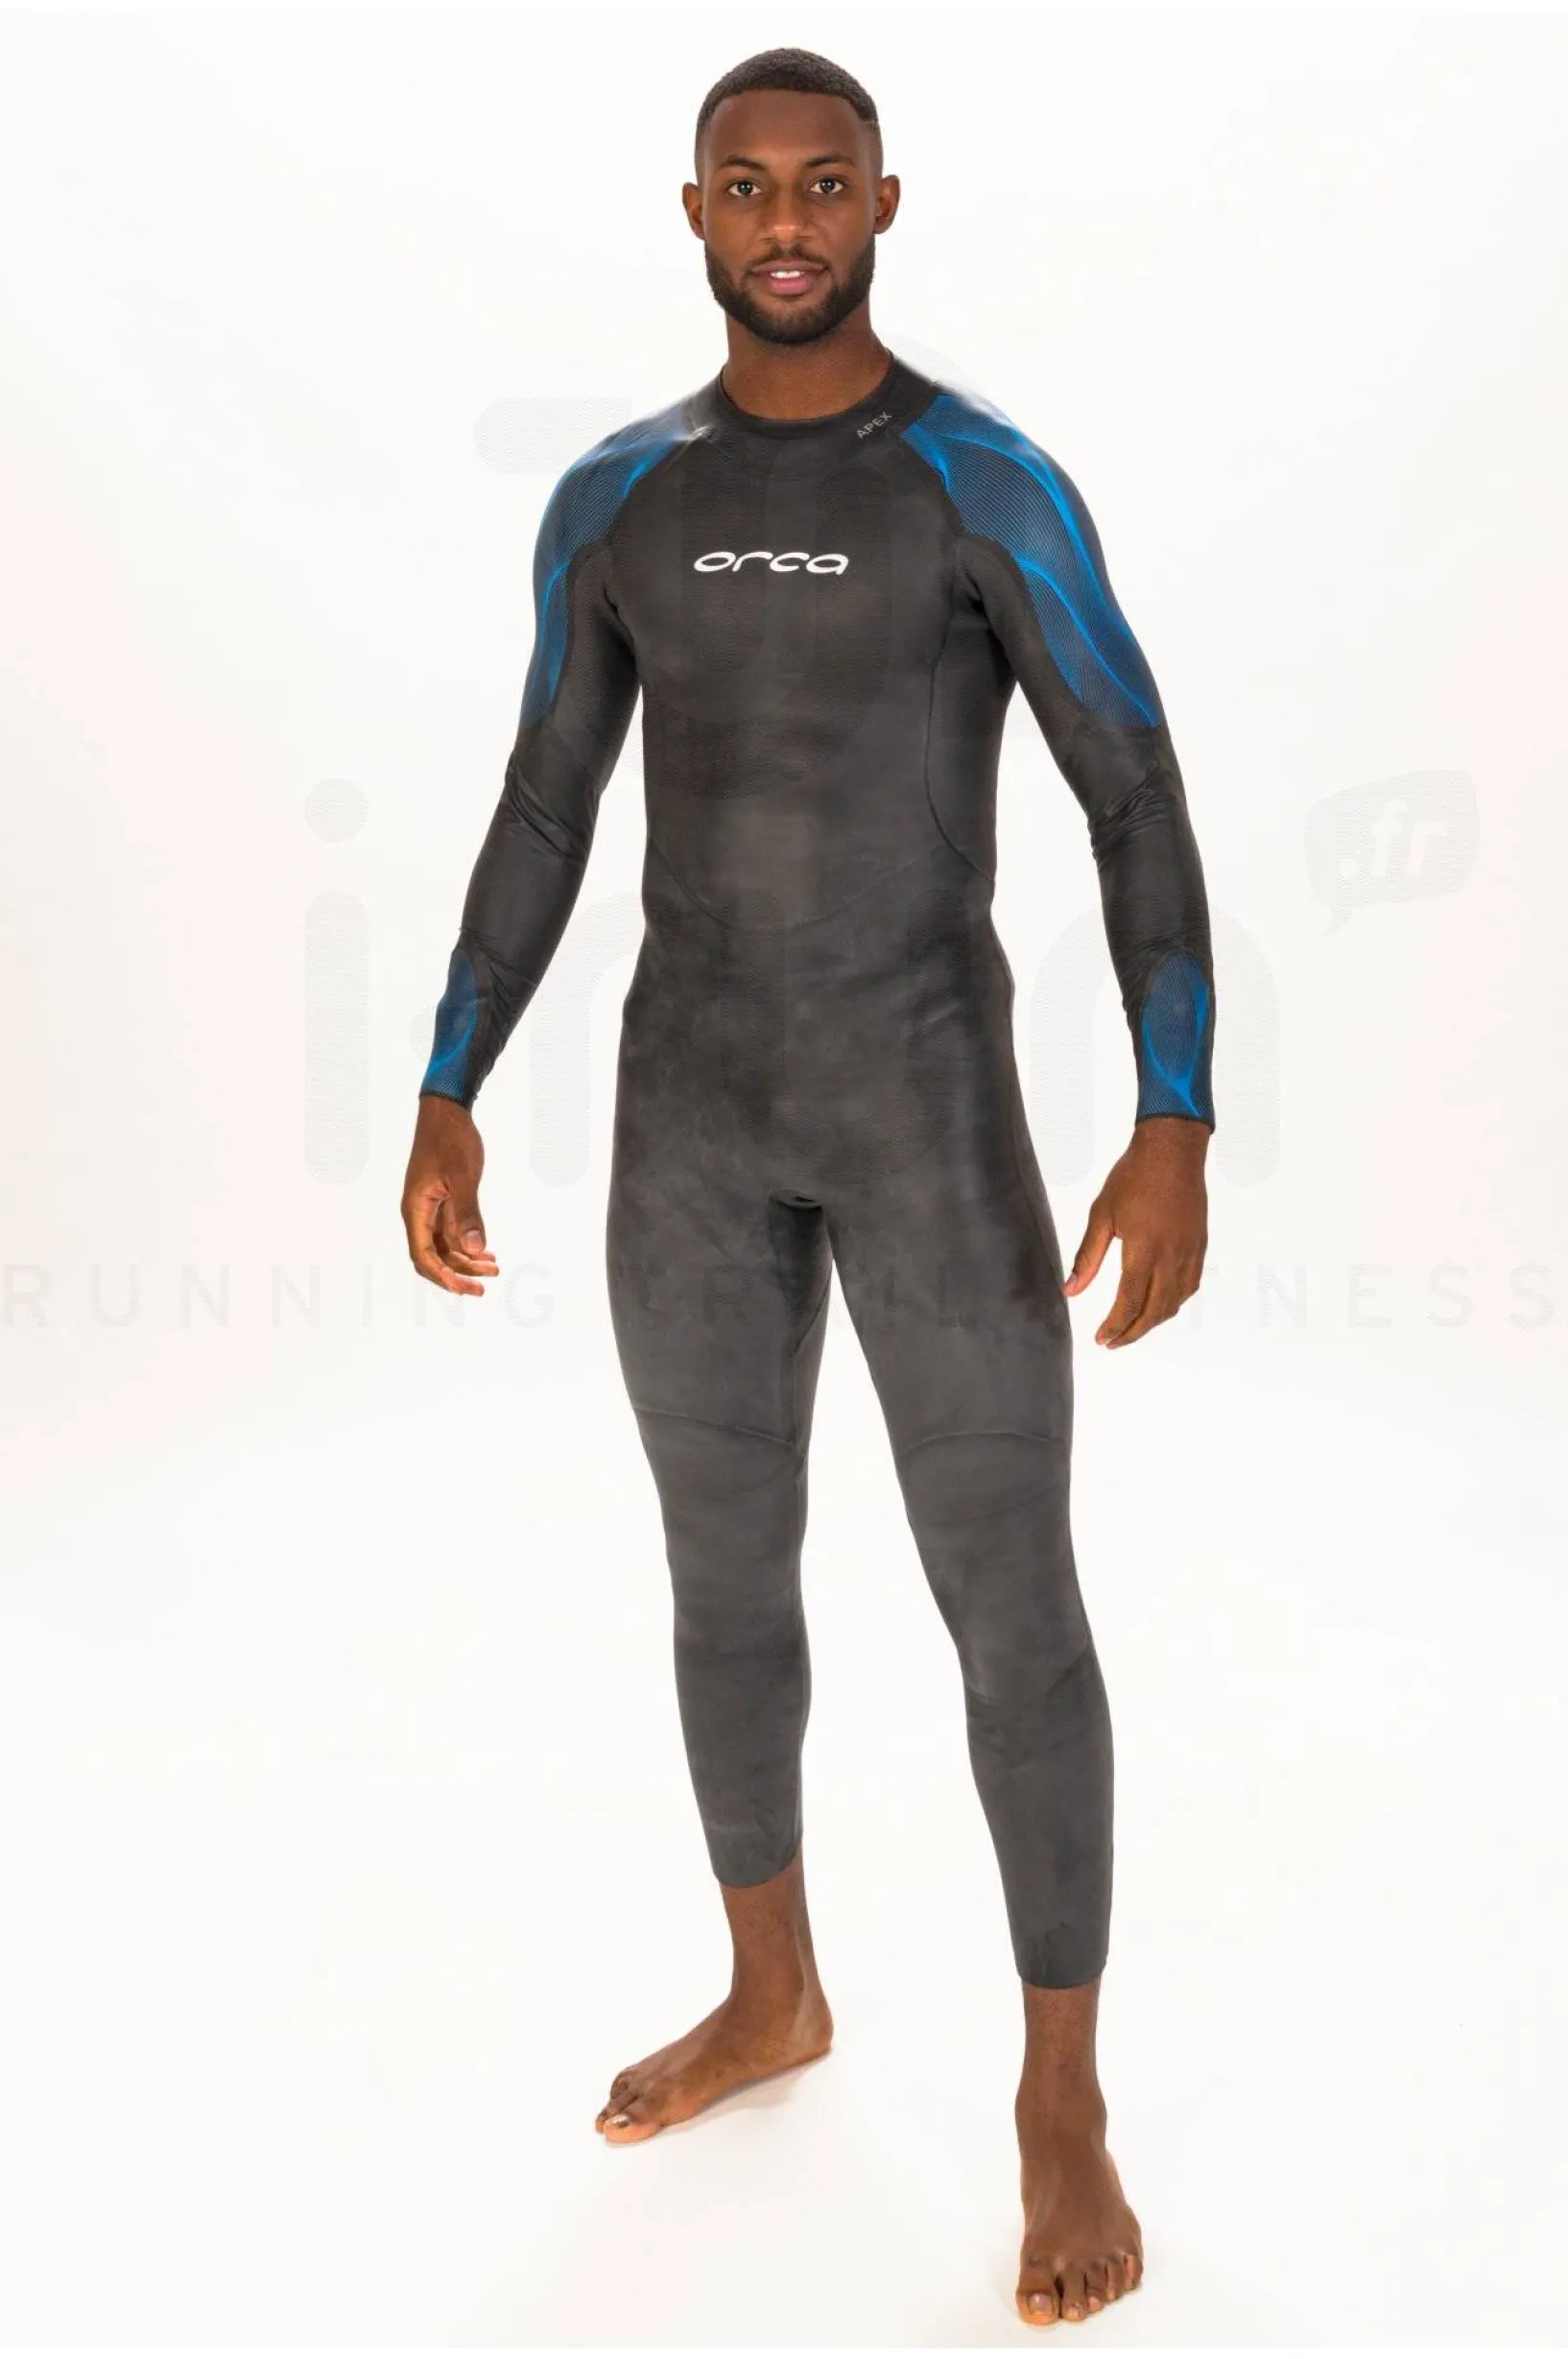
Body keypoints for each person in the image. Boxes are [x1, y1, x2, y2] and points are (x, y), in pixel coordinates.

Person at [401, 45, 1215, 2329]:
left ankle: (1059, 2092)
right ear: (693, 212)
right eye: (746, 186)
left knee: (1009, 1603)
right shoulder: (620, 498)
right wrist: (449, 1076)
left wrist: (1174, 1112)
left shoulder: (980, 481)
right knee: (721, 1576)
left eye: (822, 183)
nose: (785, 220)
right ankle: (774, 1988)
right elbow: (546, 801)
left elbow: (1132, 792)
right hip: (691, 1120)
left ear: (881, 203)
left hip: (923, 1108)